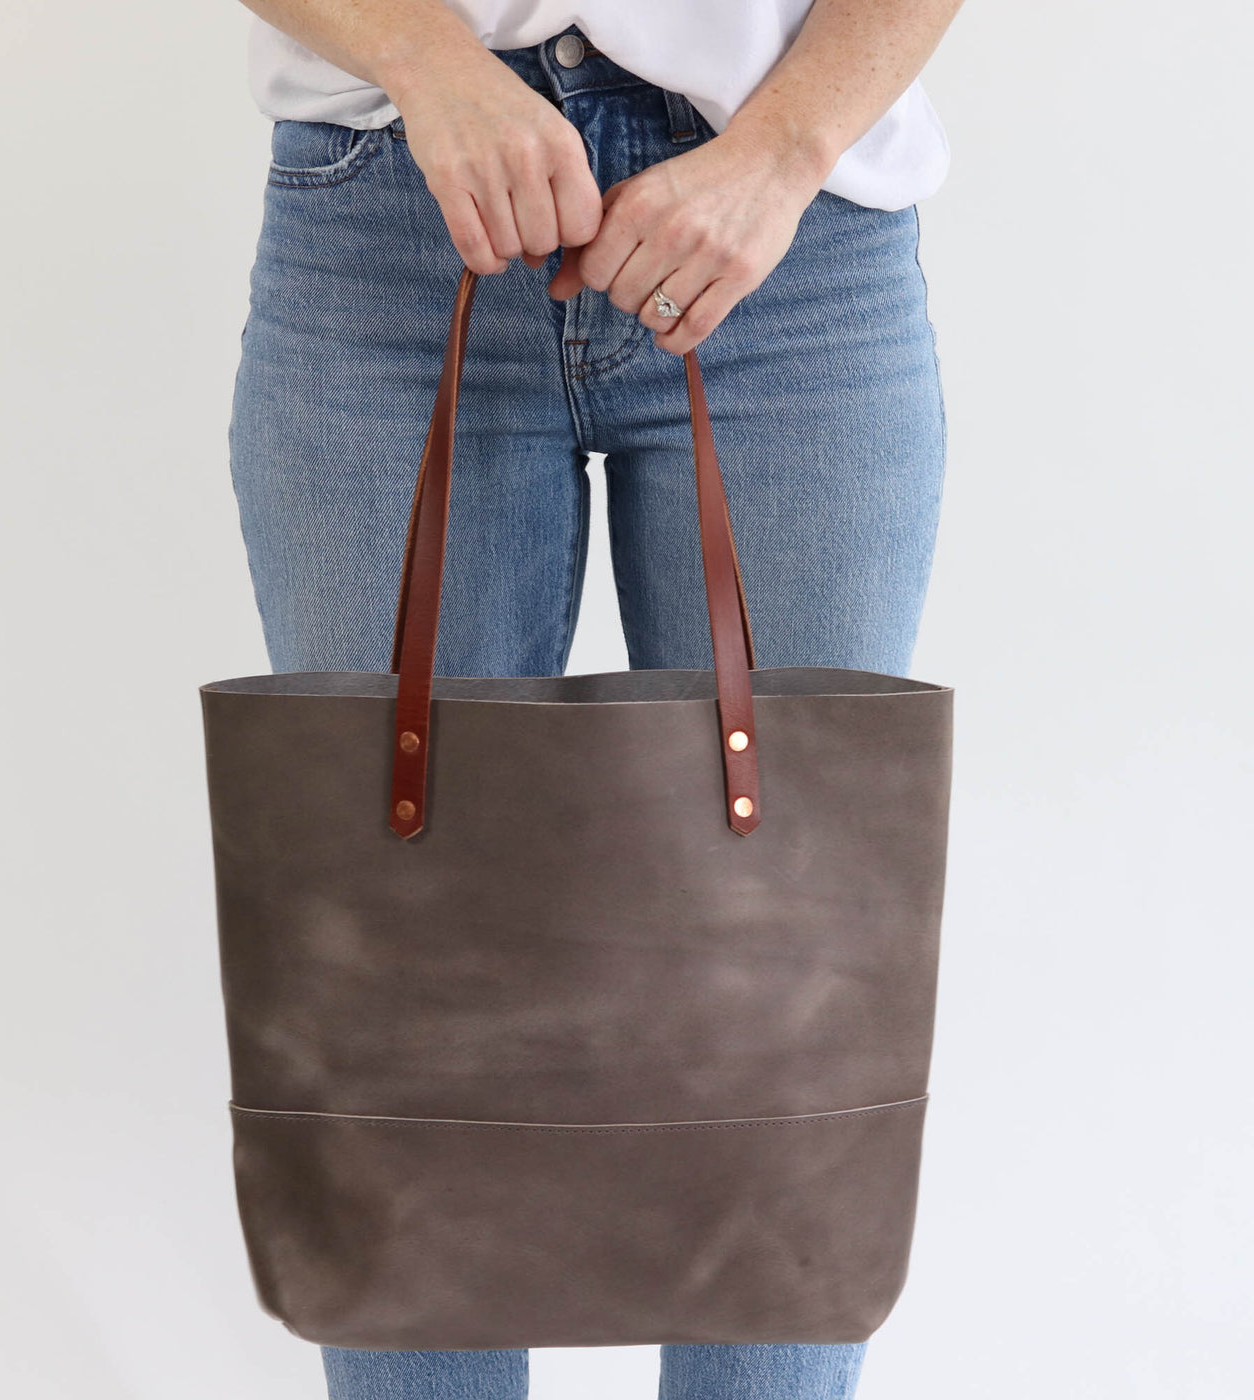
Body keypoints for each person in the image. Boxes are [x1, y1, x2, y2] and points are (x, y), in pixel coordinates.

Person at [226, 2, 965, 1395]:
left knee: (788, 1011)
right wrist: (431, 62)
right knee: (395, 999)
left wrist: (787, 148)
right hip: (391, 205)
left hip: (791, 235)